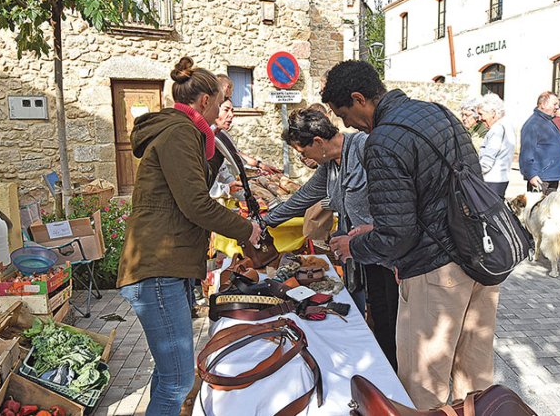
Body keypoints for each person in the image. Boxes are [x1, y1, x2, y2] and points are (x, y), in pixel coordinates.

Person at [322, 60, 498, 410]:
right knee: (475, 382)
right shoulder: (439, 113)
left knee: (423, 387)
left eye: (342, 114)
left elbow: (397, 237)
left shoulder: (382, 140)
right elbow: (450, 191)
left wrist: (354, 244)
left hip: (437, 274)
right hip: (480, 257)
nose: (345, 125)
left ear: (359, 99)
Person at [117, 57, 262, 416]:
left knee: (169, 375)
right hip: (158, 267)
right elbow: (195, 204)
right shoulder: (180, 132)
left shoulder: (186, 132)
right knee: (178, 380)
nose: (224, 109)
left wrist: (212, 147)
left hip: (166, 266)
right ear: (203, 102)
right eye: (219, 102)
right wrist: (248, 230)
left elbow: (190, 188)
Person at [260, 108, 399, 370]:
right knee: (378, 317)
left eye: (303, 152)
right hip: (365, 255)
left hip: (390, 255)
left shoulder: (364, 148)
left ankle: (396, 385)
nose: (304, 159)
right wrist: (265, 221)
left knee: (392, 322)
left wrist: (375, 227)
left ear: (318, 142)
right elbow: (303, 197)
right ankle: (383, 373)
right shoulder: (330, 166)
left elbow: (399, 197)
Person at [519, 91, 560, 194]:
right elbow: (526, 154)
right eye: (554, 104)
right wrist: (531, 175)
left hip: (552, 176)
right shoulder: (533, 124)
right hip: (541, 178)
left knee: (548, 209)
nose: (557, 107)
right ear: (543, 104)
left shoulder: (549, 122)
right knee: (539, 208)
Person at [477, 93, 515, 198]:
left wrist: (473, 173)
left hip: (491, 180)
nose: (479, 118)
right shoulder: (507, 125)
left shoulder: (497, 129)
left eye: (481, 114)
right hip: (500, 179)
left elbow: (487, 162)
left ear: (493, 113)